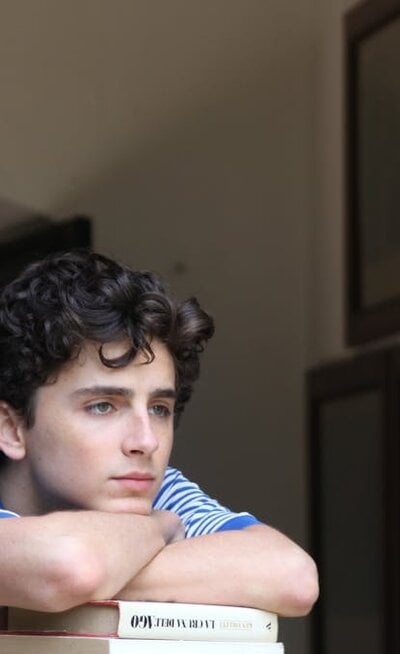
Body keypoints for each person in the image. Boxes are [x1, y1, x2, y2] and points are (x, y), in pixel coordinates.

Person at [0, 249, 318, 615]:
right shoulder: (157, 511)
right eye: (103, 406)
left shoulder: (151, 487)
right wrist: (158, 527)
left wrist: (103, 569)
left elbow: (293, 577)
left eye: (158, 409)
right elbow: (71, 566)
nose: (146, 441)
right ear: (12, 428)